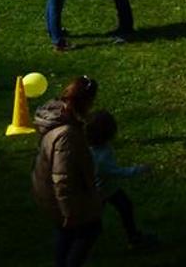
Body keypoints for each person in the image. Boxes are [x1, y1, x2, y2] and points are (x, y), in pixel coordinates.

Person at [32, 76, 103, 267]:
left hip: (47, 190)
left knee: (67, 233)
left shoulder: (58, 115)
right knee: (90, 229)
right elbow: (62, 178)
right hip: (61, 197)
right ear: (85, 102)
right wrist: (68, 212)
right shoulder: (67, 134)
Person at [84, 111, 157, 251]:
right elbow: (118, 172)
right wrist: (140, 169)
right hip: (101, 192)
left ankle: (133, 236)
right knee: (94, 220)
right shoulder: (101, 159)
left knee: (125, 207)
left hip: (109, 188)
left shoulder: (94, 148)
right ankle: (80, 243)